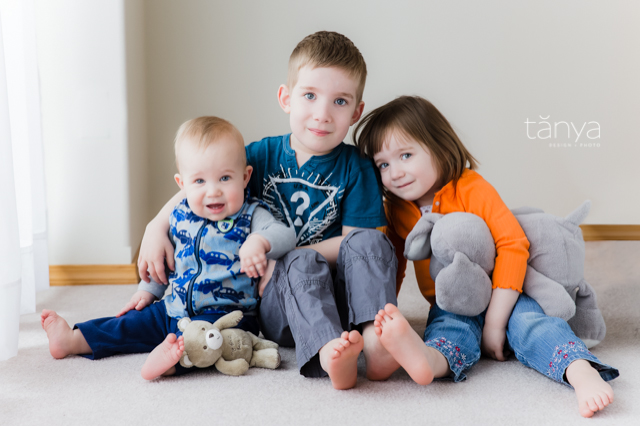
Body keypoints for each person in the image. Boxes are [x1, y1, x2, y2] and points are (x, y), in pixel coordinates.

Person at [137, 31, 399, 390]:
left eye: (339, 102)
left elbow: (355, 243)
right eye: (310, 96)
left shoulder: (357, 167)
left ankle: (375, 339)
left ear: (356, 112)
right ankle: (327, 352)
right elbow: (202, 184)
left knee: (373, 243)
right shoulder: (259, 157)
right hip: (281, 303)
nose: (322, 114)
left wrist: (289, 252)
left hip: (344, 300)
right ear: (286, 98)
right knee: (300, 263)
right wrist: (155, 225)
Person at [353, 95, 619, 417]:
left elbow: (512, 244)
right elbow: (393, 263)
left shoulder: (470, 187)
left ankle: (580, 371)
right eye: (383, 164)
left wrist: (495, 321)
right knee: (449, 327)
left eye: (405, 155)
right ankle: (430, 361)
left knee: (530, 324)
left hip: (502, 291)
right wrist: (386, 311)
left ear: (439, 146)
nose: (395, 173)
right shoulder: (396, 210)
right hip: (453, 297)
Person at [41, 116, 295, 380]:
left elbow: (286, 235)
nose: (213, 191)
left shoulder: (251, 214)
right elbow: (164, 263)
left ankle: (171, 364)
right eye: (199, 181)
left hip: (226, 316)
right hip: (172, 308)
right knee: (128, 324)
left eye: (224, 178)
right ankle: (73, 340)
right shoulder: (179, 216)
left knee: (217, 344)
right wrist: (148, 290)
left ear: (245, 177)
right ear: (181, 184)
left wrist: (259, 241)